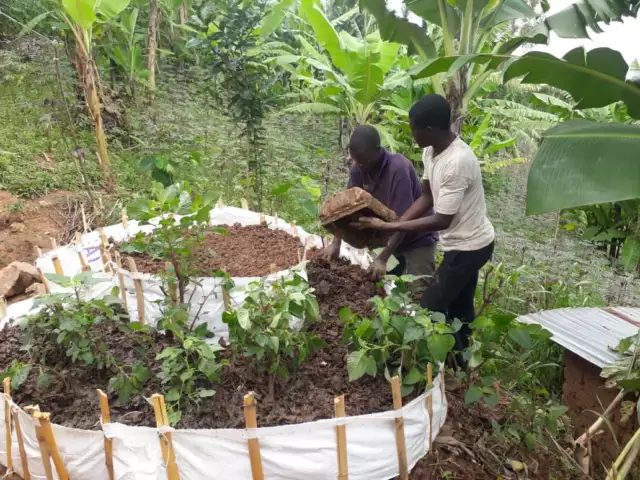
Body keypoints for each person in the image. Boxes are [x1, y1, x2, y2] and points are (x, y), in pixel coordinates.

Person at [352, 95, 495, 358]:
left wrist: (386, 228)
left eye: (413, 127)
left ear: (430, 130)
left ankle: (423, 362)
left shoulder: (458, 162)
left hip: (470, 246)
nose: (411, 133)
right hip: (459, 242)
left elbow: (442, 219)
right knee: (460, 307)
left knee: (429, 307)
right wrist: (395, 224)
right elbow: (426, 197)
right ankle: (460, 362)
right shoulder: (430, 151)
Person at [323, 125, 438, 289]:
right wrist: (336, 243)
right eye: (356, 160)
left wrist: (382, 258)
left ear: (377, 150)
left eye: (364, 160)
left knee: (416, 294)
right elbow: (346, 210)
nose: (360, 165)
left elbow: (402, 221)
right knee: (383, 289)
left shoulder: (399, 168)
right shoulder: (358, 169)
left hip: (416, 240)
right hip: (387, 238)